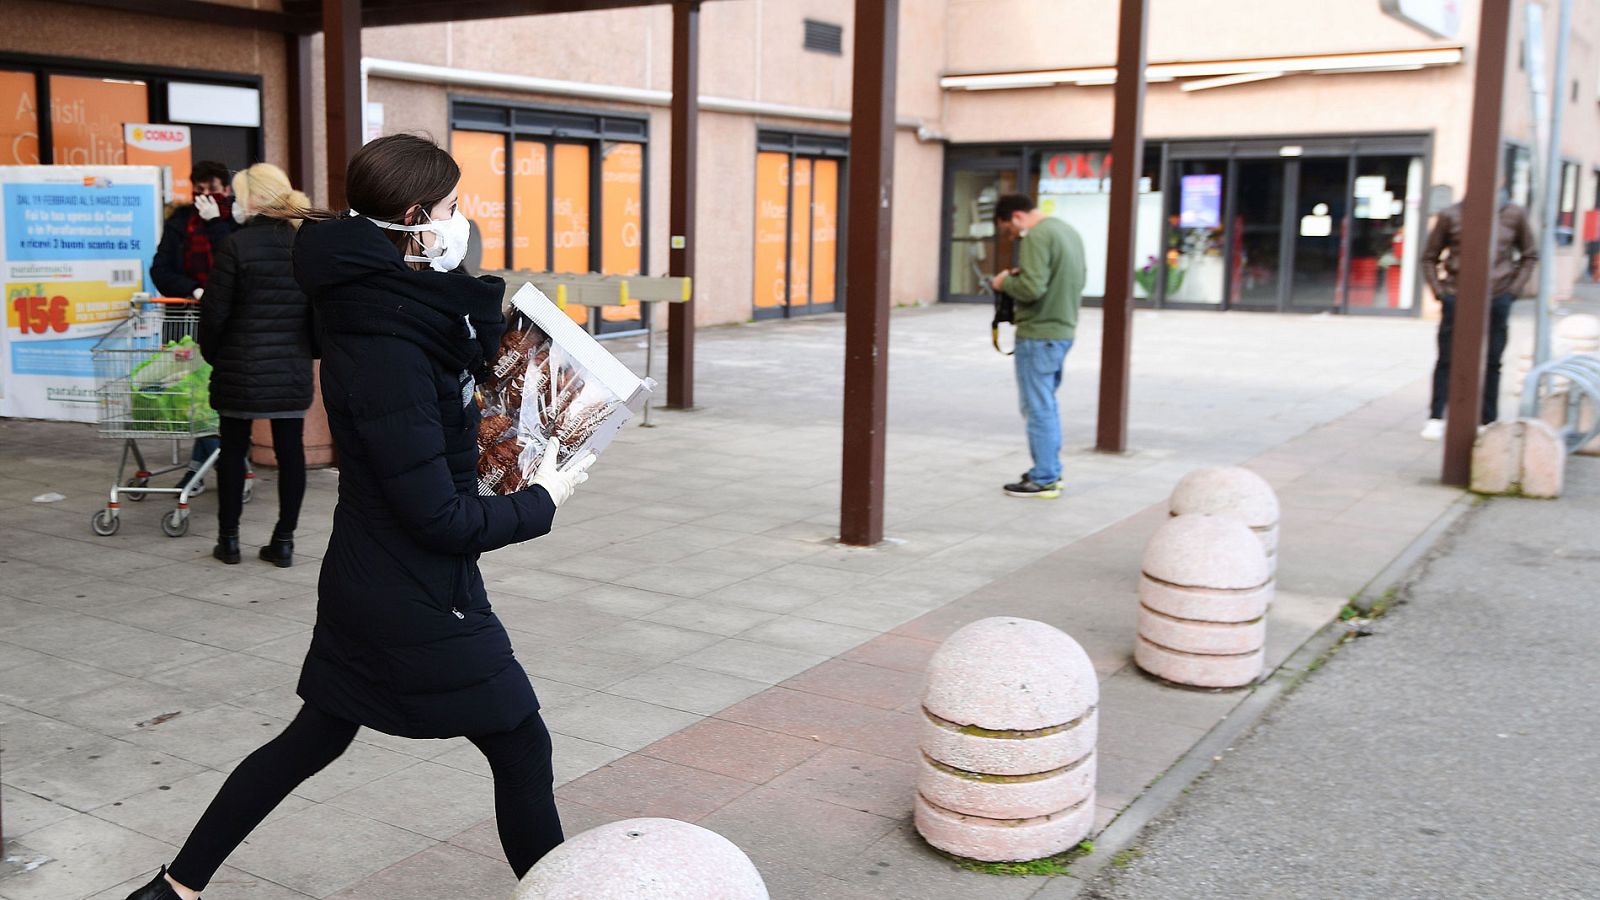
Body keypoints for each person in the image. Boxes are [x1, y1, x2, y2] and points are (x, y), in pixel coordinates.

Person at [125, 134, 595, 900]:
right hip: (411, 593)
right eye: (450, 207)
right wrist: (541, 501)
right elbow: (438, 517)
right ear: (414, 218)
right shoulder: (386, 344)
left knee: (313, 739)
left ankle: (173, 889)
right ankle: (562, 892)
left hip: (375, 575)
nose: (460, 220)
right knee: (518, 742)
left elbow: (439, 406)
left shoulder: (390, 302)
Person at [196, 163, 315, 567]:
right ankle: (283, 542)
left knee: (232, 450)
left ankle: (228, 541)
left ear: (254, 199)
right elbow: (317, 313)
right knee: (291, 451)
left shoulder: (236, 245)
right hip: (290, 367)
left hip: (239, 367)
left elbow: (214, 314)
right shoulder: (302, 244)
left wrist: (215, 356)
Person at [151, 160, 243, 493]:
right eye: (199, 190)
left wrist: (217, 223)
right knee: (191, 395)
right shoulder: (180, 221)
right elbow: (160, 270)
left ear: (226, 189)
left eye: (212, 189)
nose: (204, 196)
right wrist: (194, 289)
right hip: (186, 320)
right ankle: (214, 463)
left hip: (225, 322)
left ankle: (204, 467)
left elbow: (236, 264)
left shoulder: (236, 220)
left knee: (212, 398)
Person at [990, 193, 1087, 498]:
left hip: (1038, 333)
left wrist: (1004, 282)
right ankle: (1049, 470)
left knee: (1037, 407)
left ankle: (1045, 477)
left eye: (1009, 229)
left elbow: (1032, 288)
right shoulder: (1067, 231)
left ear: (1017, 216)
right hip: (1062, 330)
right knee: (1046, 404)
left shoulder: (1036, 236)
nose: (1012, 236)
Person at [1420, 191, 1538, 440]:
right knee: (1447, 358)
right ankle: (1436, 417)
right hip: (1457, 296)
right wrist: (1441, 293)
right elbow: (1429, 257)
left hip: (1497, 297)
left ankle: (1487, 420)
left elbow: (1530, 254)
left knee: (1493, 360)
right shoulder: (1451, 214)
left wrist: (1512, 291)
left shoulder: (1514, 214)